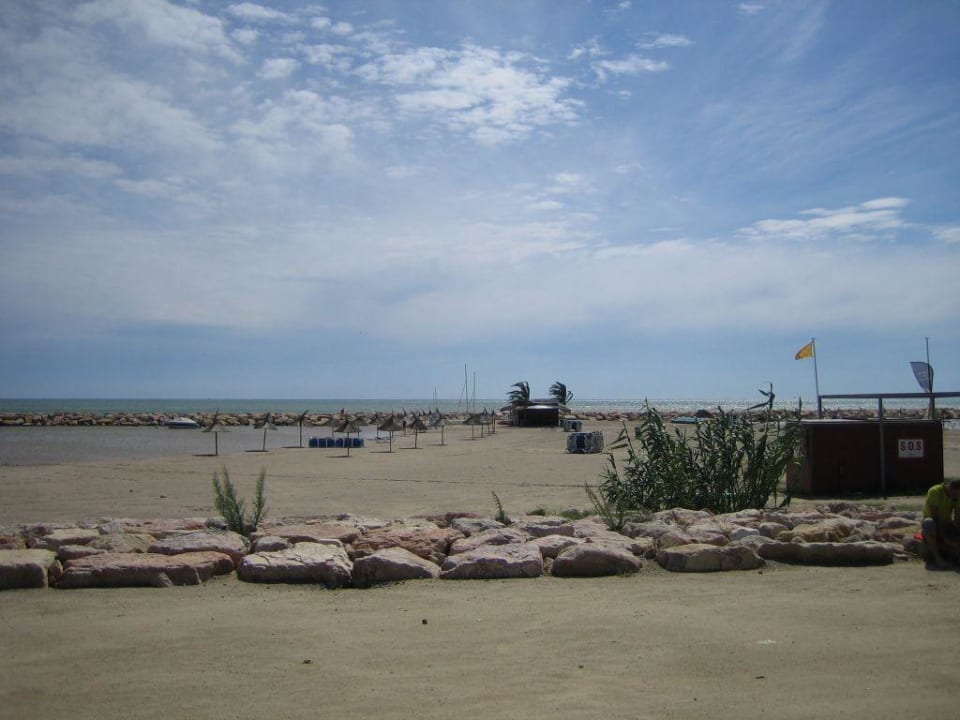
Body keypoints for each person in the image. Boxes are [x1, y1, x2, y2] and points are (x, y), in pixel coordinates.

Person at [921, 478, 960, 569]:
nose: (957, 497)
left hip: (947, 523)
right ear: (950, 488)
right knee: (928, 523)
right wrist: (945, 537)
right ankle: (938, 558)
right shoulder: (935, 491)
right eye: (956, 494)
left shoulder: (957, 496)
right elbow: (935, 517)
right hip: (934, 523)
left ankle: (955, 556)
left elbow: (957, 515)